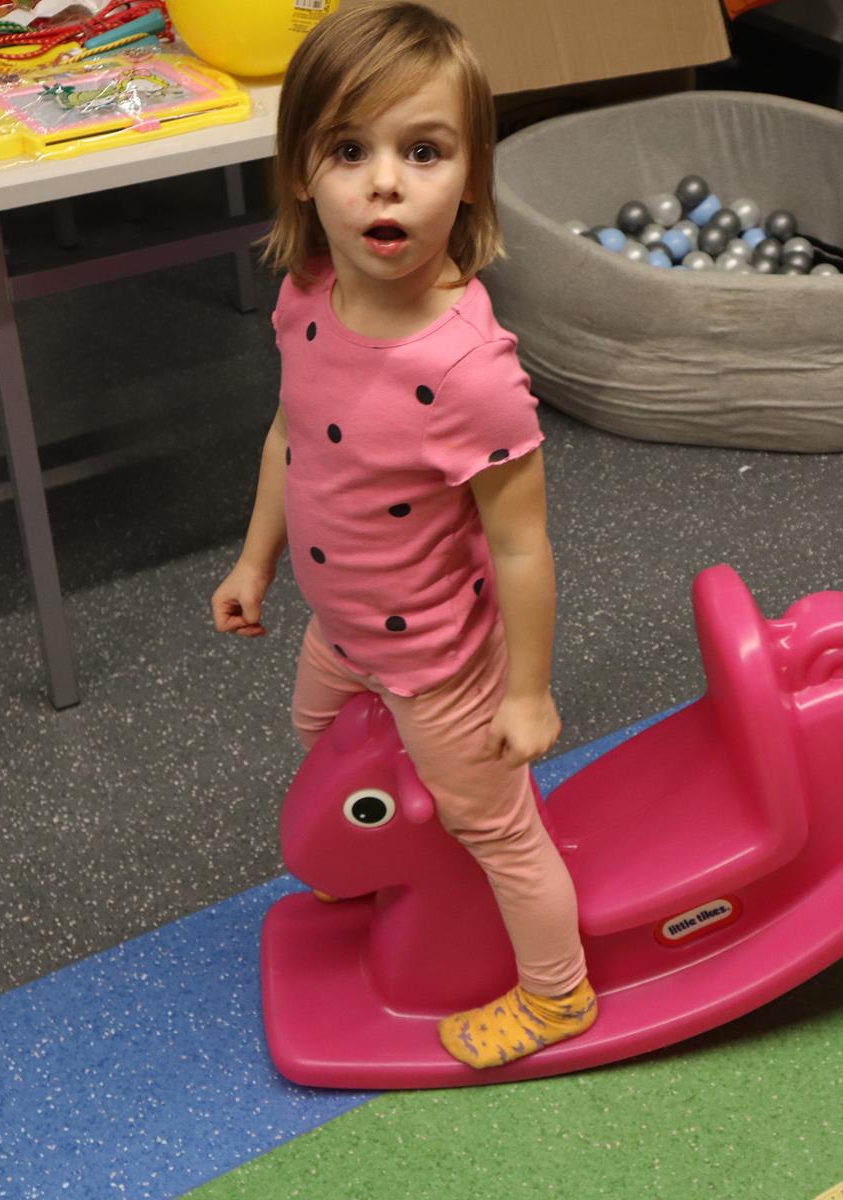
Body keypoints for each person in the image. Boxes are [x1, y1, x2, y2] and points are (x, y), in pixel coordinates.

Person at [209, 1, 595, 1070]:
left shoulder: (472, 373)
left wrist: (527, 692)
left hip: (436, 659)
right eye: (349, 150)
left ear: (470, 177)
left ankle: (557, 994)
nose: (385, 183)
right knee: (319, 743)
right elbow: (291, 435)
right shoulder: (306, 297)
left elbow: (520, 545)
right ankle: (404, 860)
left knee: (498, 827)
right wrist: (255, 559)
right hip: (338, 627)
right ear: (300, 171)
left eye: (423, 151)